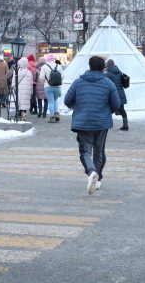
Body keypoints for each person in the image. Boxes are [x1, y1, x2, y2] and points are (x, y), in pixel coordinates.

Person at [64, 56, 120, 194]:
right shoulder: (108, 83)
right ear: (103, 68)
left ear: (89, 66)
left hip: (83, 122)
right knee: (99, 151)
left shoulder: (78, 82)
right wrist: (106, 112)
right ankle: (98, 179)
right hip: (102, 123)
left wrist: (78, 106)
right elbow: (116, 104)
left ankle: (91, 172)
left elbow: (67, 101)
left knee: (85, 151)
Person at [39, 53, 64, 123]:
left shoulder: (44, 66)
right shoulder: (58, 66)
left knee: (51, 101)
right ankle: (56, 115)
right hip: (57, 87)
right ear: (54, 59)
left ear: (46, 59)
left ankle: (52, 117)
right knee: (55, 101)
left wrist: (43, 83)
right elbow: (63, 76)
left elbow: (41, 77)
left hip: (48, 86)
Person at [105, 59, 129, 131]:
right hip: (121, 94)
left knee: (107, 110)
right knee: (122, 110)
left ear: (108, 66)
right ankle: (125, 125)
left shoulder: (108, 74)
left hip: (113, 95)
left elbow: (105, 83)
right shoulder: (119, 72)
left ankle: (106, 125)